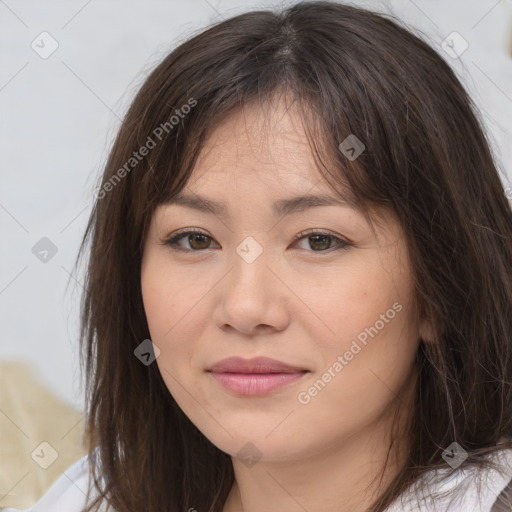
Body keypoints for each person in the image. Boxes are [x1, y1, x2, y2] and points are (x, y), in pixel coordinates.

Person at [5, 1, 512, 511]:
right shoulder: (86, 498)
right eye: (195, 239)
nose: (245, 309)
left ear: (441, 289)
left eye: (318, 240)